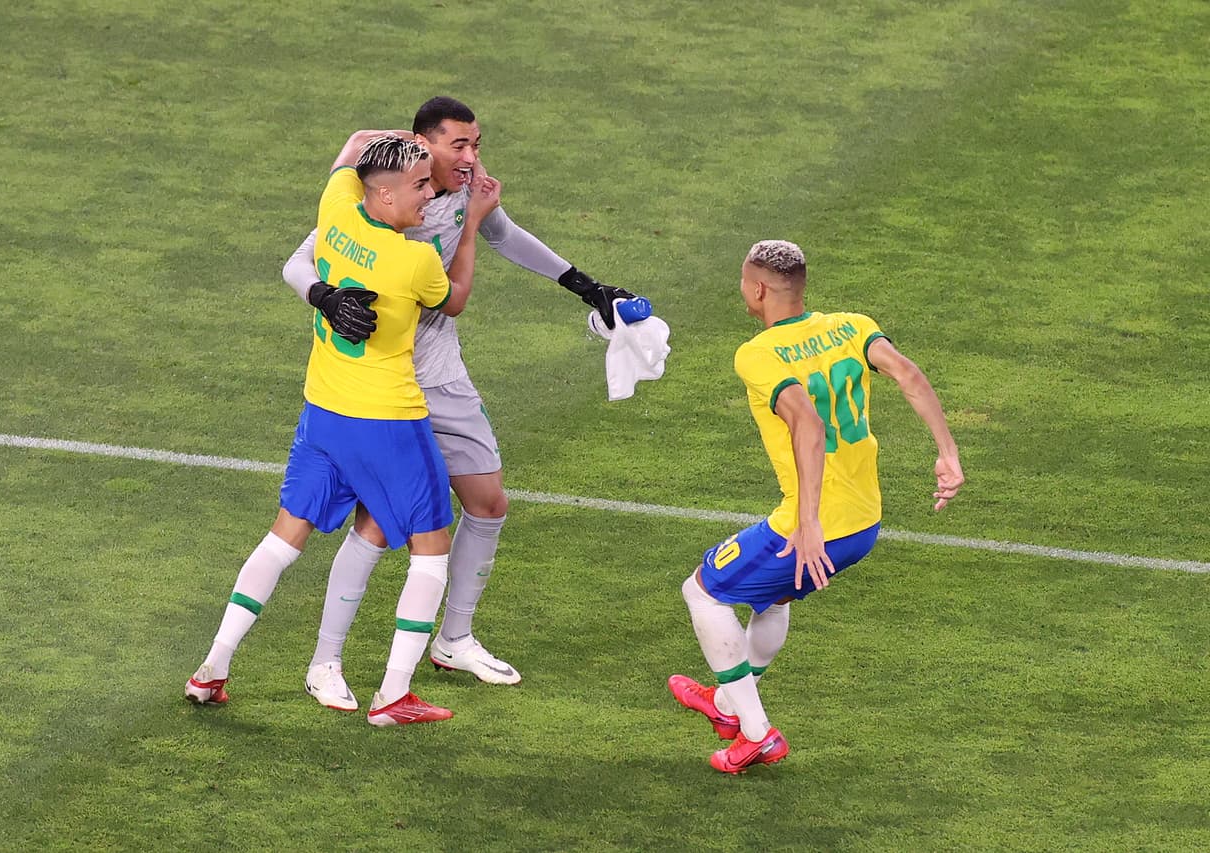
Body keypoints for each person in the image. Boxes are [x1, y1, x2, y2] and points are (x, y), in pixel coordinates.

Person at [282, 96, 643, 708]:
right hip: (383, 387)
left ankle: (454, 638)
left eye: (478, 145)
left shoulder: (460, 194)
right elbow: (299, 259)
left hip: (442, 377)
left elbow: (510, 237)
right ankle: (326, 661)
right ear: (424, 146)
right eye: (460, 146)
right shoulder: (388, 195)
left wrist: (589, 289)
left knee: (488, 500)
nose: (473, 159)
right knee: (374, 521)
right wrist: (323, 296)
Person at [185, 133, 502, 727]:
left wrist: (399, 145)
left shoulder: (335, 207)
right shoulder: (413, 261)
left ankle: (212, 668)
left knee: (282, 540)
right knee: (430, 552)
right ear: (380, 195)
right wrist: (472, 222)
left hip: (323, 412)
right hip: (389, 423)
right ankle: (394, 696)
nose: (429, 194)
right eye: (418, 185)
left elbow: (355, 144)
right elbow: (453, 299)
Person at [667, 240, 964, 773]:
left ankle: (755, 733)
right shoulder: (852, 325)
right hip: (865, 525)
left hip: (813, 529)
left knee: (703, 592)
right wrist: (948, 454)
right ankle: (727, 702)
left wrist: (806, 525)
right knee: (772, 601)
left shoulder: (757, 353)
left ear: (757, 289)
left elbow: (808, 423)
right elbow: (909, 374)